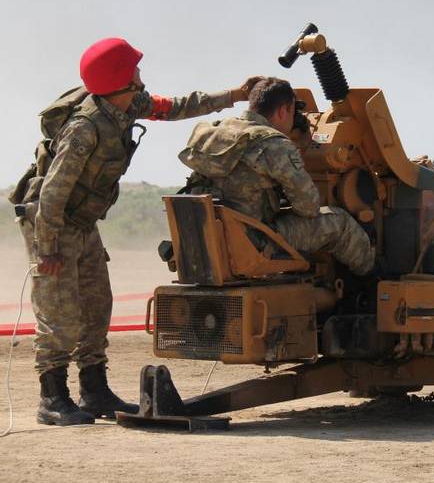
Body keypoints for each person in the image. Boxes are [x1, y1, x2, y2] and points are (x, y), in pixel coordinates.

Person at [10, 37, 262, 426]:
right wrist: (48, 249)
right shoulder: (84, 129)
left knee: (97, 306)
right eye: (135, 71)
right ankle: (52, 397)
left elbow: (175, 106)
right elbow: (53, 193)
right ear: (121, 80)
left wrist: (234, 95)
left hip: (82, 223)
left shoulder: (127, 106)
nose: (141, 76)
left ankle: (94, 391)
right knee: (60, 314)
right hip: (53, 224)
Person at [178, 77, 375, 276]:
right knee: (339, 222)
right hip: (254, 243)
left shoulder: (214, 132)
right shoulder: (275, 145)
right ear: (283, 111)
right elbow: (308, 207)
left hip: (205, 239)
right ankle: (369, 279)